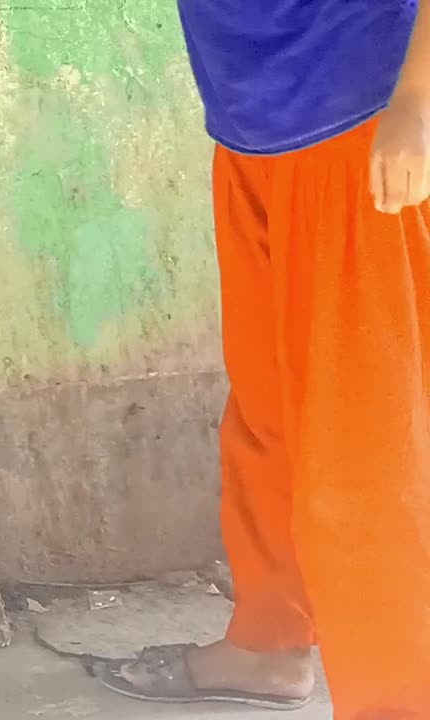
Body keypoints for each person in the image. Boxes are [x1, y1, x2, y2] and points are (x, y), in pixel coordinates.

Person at [97, 1, 430, 717]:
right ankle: (269, 644)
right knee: (268, 417)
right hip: (255, 131)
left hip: (363, 128)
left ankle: (397, 702)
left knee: (363, 457)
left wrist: (418, 100)